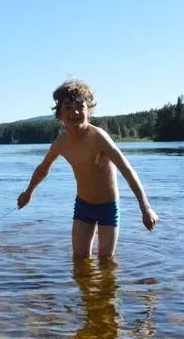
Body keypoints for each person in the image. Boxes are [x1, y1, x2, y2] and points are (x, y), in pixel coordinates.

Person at [17, 78, 158, 259]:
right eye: (68, 107)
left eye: (80, 107)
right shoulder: (61, 142)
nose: (74, 112)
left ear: (88, 110)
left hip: (108, 207)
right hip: (83, 206)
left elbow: (127, 170)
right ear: (60, 114)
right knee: (79, 259)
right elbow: (42, 169)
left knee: (106, 261)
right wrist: (28, 192)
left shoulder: (99, 137)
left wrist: (145, 208)